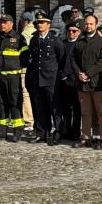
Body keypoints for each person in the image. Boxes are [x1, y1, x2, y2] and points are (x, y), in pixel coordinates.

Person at [26, 12, 64, 145]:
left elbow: (61, 58)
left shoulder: (55, 40)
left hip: (51, 78)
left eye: (42, 23)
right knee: (40, 107)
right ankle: (42, 132)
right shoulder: (34, 39)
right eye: (38, 23)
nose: (40, 25)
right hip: (37, 78)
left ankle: (58, 132)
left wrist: (58, 75)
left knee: (54, 107)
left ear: (49, 25)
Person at [72, 15, 102, 149]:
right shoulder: (79, 41)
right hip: (82, 83)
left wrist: (88, 73)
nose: (88, 26)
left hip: (97, 83)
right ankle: (86, 137)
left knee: (101, 112)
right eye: (87, 24)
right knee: (85, 112)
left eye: (91, 24)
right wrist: (79, 73)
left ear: (96, 25)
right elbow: (73, 59)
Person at [0, 14, 29, 142]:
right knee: (0, 103)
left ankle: (17, 130)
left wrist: (15, 67)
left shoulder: (18, 38)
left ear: (11, 24)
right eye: (1, 22)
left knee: (15, 102)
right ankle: (2, 130)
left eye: (5, 22)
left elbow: (25, 57)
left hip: (13, 77)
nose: (2, 24)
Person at [58, 21, 82, 142]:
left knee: (77, 109)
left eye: (74, 31)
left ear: (79, 32)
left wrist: (71, 74)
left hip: (76, 80)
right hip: (63, 81)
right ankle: (66, 130)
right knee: (65, 108)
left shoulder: (81, 44)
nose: (71, 33)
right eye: (69, 31)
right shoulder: (62, 43)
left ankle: (76, 132)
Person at [19, 12, 36, 132]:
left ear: (23, 21)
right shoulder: (35, 31)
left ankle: (29, 121)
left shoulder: (24, 33)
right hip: (34, 68)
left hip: (24, 68)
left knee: (25, 95)